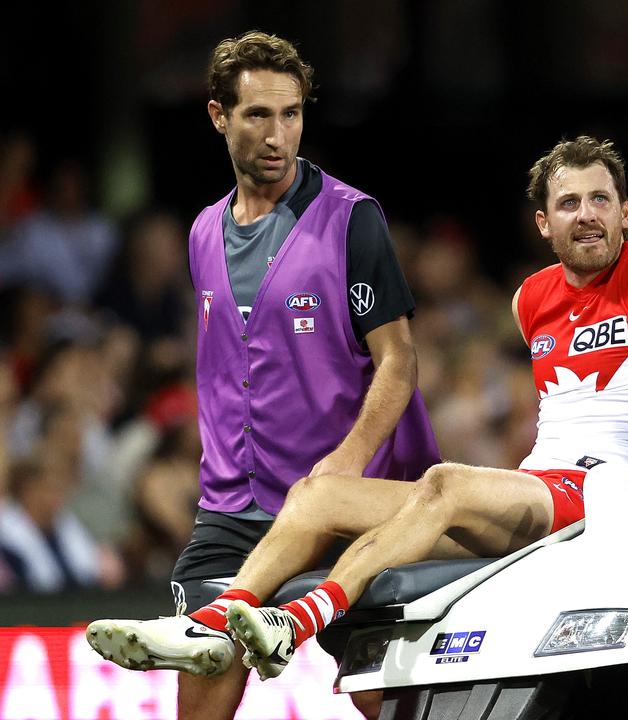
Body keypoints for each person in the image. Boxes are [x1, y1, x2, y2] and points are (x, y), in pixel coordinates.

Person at [88, 136, 628, 684]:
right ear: (543, 224)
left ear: (627, 211)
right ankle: (211, 630)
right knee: (317, 495)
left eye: (602, 199)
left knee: (445, 483)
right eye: (571, 204)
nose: (589, 215)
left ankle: (294, 621)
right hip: (540, 497)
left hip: (607, 502)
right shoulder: (531, 299)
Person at [84, 31, 440, 720]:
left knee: (395, 709)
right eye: (257, 115)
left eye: (292, 114)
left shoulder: (352, 220)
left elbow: (398, 358)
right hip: (230, 515)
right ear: (218, 116)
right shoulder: (200, 233)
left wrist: (345, 464)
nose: (279, 134)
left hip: (335, 513)